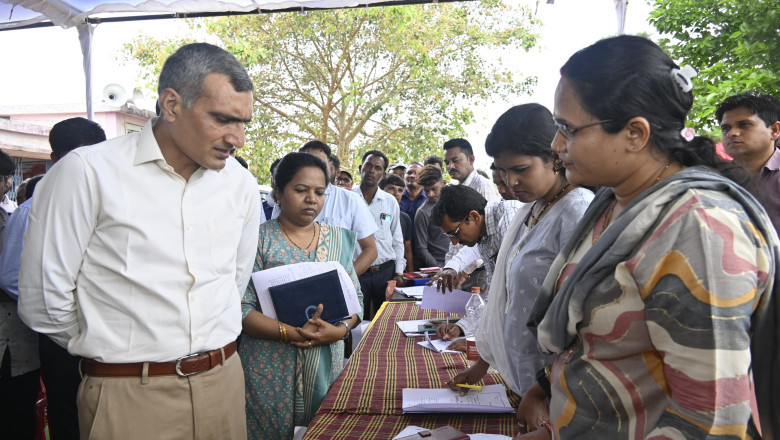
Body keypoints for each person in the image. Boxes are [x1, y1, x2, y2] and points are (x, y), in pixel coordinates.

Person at [518, 35, 779, 439]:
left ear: (635, 134)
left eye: (568, 129)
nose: (556, 146)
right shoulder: (615, 202)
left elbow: (709, 423)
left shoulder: (699, 229)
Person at [18, 43, 261, 439]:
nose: (238, 138)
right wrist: (117, 353)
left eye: (244, 122)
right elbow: (44, 300)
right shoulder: (87, 173)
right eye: (222, 119)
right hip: (128, 395)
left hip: (225, 383)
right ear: (171, 104)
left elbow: (234, 279)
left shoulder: (240, 184)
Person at [440, 104, 592, 397]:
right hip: (526, 383)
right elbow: (507, 301)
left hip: (558, 389)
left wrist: (544, 388)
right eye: (503, 172)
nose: (511, 182)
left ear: (554, 159)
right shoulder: (532, 209)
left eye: (521, 170)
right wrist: (480, 366)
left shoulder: (577, 210)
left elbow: (584, 325)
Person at [240, 152, 363, 440]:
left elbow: (354, 300)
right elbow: (241, 309)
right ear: (278, 193)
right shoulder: (257, 240)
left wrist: (341, 330)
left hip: (324, 365)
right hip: (268, 369)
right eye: (301, 190)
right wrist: (290, 333)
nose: (312, 199)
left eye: (319, 192)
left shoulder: (338, 240)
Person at [7, 117, 106, 440]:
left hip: (102, 336)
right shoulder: (30, 210)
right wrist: (71, 326)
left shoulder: (108, 204)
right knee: (70, 417)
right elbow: (12, 278)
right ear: (55, 160)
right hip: (65, 337)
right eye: (75, 158)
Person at [429, 184, 524, 337]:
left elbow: (510, 295)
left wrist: (482, 344)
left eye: (454, 233)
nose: (454, 242)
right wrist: (462, 327)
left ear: (474, 216)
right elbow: (495, 297)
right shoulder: (483, 232)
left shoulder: (508, 218)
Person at [273, 140, 378, 275]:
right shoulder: (285, 201)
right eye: (300, 190)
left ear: (329, 166)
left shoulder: (351, 200)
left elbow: (370, 250)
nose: (311, 200)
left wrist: (344, 280)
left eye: (319, 163)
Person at [353, 149, 406, 319]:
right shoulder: (349, 199)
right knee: (356, 321)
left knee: (385, 320)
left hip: (385, 273)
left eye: (377, 168)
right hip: (357, 272)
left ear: (383, 175)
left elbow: (397, 239)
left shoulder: (390, 202)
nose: (371, 170)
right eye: (368, 166)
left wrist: (398, 272)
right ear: (361, 168)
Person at [716, 93, 780, 230]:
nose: (732, 133)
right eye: (726, 128)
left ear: (774, 130)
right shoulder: (714, 178)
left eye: (744, 125)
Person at [413, 164, 450, 268]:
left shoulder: (455, 202)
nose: (431, 194)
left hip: (462, 266)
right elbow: (421, 248)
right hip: (440, 268)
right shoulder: (422, 212)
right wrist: (438, 268)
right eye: (426, 191)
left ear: (443, 183)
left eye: (434, 189)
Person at [379, 174, 414, 272]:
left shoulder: (405, 218)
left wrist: (410, 274)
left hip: (397, 269)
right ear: (381, 190)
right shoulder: (374, 213)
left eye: (400, 190)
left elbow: (407, 249)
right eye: (392, 188)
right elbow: (385, 218)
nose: (396, 193)